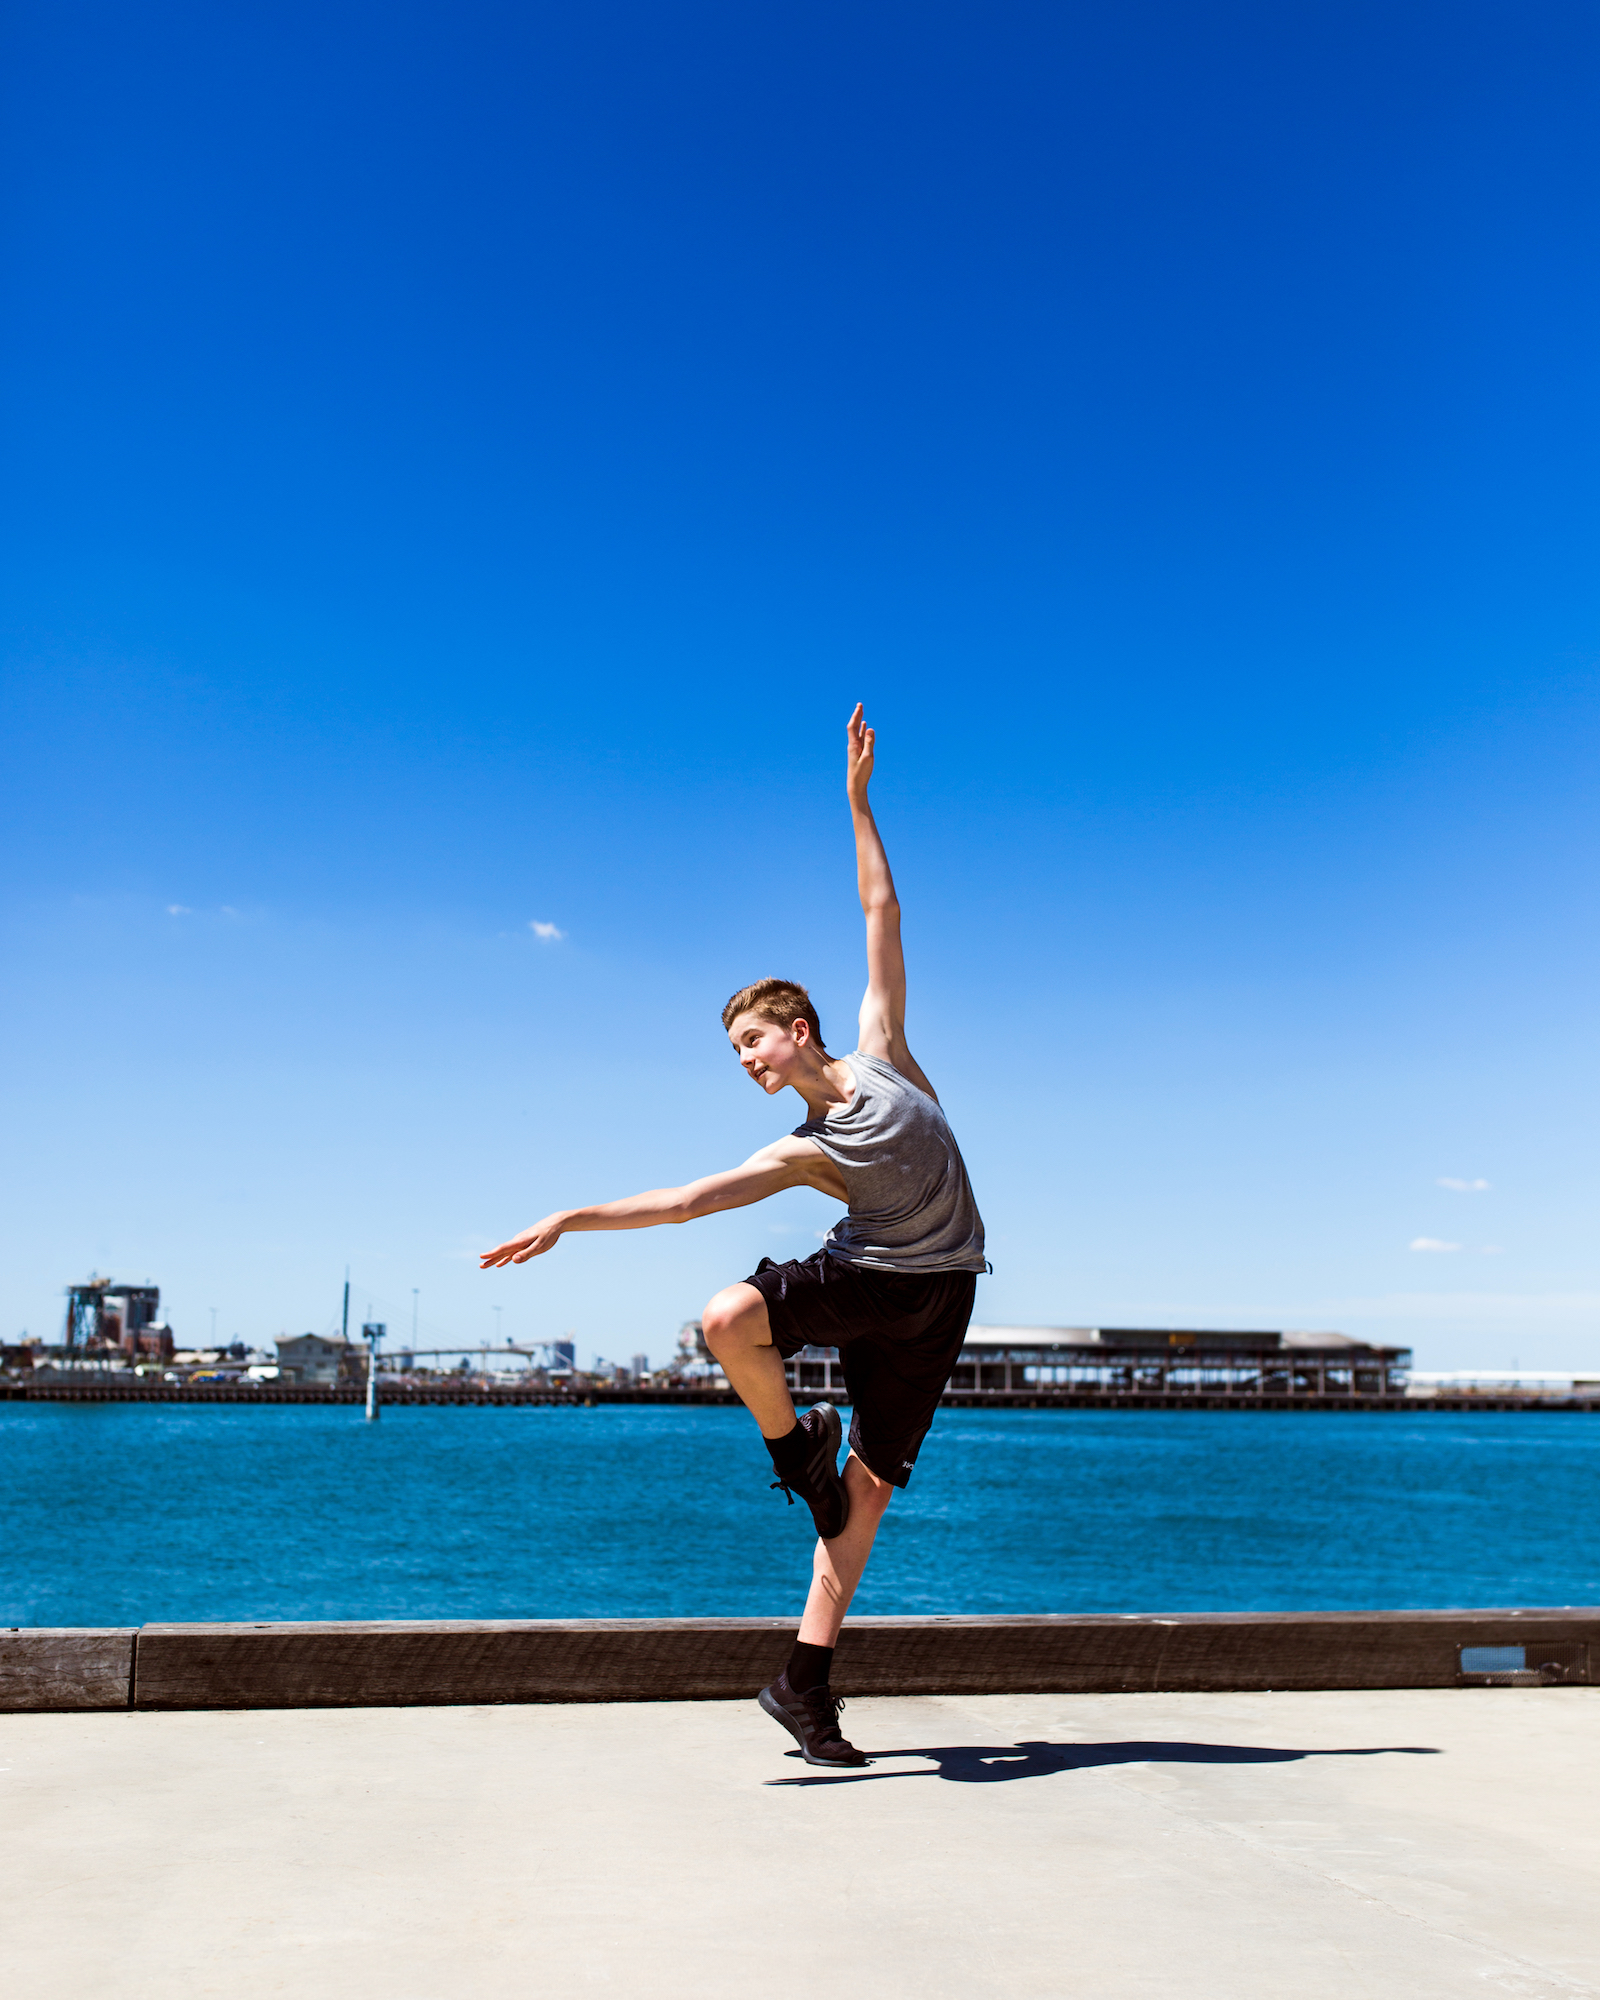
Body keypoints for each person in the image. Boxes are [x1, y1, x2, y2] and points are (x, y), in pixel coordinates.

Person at [480, 704, 986, 1765]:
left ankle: (804, 1683)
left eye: (753, 1042)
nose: (749, 1062)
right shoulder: (803, 1150)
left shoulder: (884, 1050)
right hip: (866, 1277)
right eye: (739, 1052)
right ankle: (790, 1443)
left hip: (942, 1295)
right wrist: (570, 1216)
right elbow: (686, 1200)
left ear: (799, 1030)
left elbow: (880, 906)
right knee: (725, 1314)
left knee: (868, 1496)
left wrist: (857, 802)